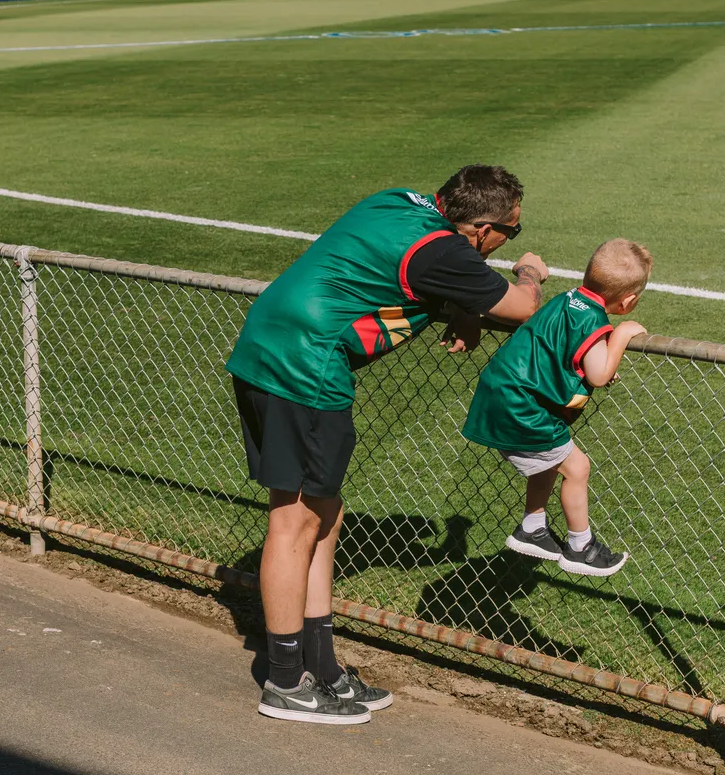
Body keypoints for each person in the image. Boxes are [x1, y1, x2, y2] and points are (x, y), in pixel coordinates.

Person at [226, 165, 549, 725]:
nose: (507, 244)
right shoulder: (445, 251)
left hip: (275, 346)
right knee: (294, 520)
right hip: (304, 365)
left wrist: (459, 308)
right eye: (508, 233)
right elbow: (520, 308)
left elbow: (388, 275)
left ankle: (320, 668)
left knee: (325, 513)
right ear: (480, 229)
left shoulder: (395, 201)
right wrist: (528, 271)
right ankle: (283, 682)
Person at [462, 239, 652, 578]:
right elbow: (598, 374)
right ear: (628, 302)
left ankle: (533, 527)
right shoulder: (594, 320)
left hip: (503, 392)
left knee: (549, 461)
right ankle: (581, 548)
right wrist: (620, 337)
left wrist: (601, 356)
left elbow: (567, 352)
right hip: (523, 405)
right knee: (577, 467)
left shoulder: (568, 299)